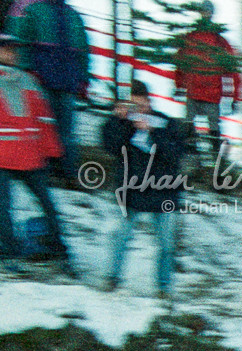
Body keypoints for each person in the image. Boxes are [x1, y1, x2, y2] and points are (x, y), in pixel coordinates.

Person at [100, 80, 185, 297]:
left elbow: (175, 154)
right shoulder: (124, 123)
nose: (138, 110)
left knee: (166, 245)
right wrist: (117, 120)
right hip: (132, 191)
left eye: (141, 104)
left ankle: (164, 288)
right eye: (133, 105)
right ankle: (112, 277)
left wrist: (153, 132)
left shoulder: (166, 123)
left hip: (163, 191)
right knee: (121, 238)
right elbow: (109, 146)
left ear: (149, 101)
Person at [0, 31, 70, 272]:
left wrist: (54, 153)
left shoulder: (29, 80)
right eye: (6, 48)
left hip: (31, 155)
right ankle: (8, 254)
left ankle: (60, 252)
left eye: (13, 49)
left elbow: (44, 119)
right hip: (3, 156)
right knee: (2, 207)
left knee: (48, 205)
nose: (11, 52)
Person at [6, 0, 86, 182]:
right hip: (40, 81)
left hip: (68, 83)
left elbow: (83, 50)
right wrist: (27, 69)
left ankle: (68, 173)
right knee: (41, 127)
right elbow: (23, 42)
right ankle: (42, 170)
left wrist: (83, 80)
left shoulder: (74, 16)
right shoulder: (34, 11)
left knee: (65, 131)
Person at [172, 2, 238, 168]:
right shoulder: (218, 41)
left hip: (203, 94)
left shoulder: (195, 38)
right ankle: (210, 164)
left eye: (206, 11)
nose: (205, 13)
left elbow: (180, 63)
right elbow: (232, 71)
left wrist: (179, 86)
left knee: (194, 127)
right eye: (204, 11)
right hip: (203, 94)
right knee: (208, 129)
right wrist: (233, 97)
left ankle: (203, 162)